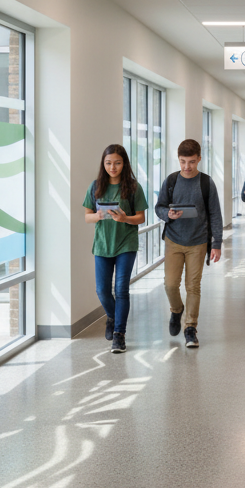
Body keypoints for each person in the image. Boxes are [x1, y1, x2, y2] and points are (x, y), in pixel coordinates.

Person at [154, 139, 224, 348]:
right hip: (174, 240)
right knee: (170, 284)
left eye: (192, 162)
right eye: (183, 161)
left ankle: (190, 328)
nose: (187, 167)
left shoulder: (206, 183)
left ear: (199, 159)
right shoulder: (171, 181)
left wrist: (217, 243)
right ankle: (176, 310)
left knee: (193, 286)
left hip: (198, 241)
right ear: (179, 159)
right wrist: (169, 214)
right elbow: (159, 208)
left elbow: (215, 215)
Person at [81, 144, 147, 354]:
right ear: (103, 164)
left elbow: (141, 218)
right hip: (102, 244)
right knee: (102, 290)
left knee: (121, 290)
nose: (113, 167)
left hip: (125, 243)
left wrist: (125, 218)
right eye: (108, 163)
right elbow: (86, 216)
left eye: (117, 163)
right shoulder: (95, 186)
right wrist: (98, 216)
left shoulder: (133, 187)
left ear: (124, 163)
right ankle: (112, 316)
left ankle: (119, 334)